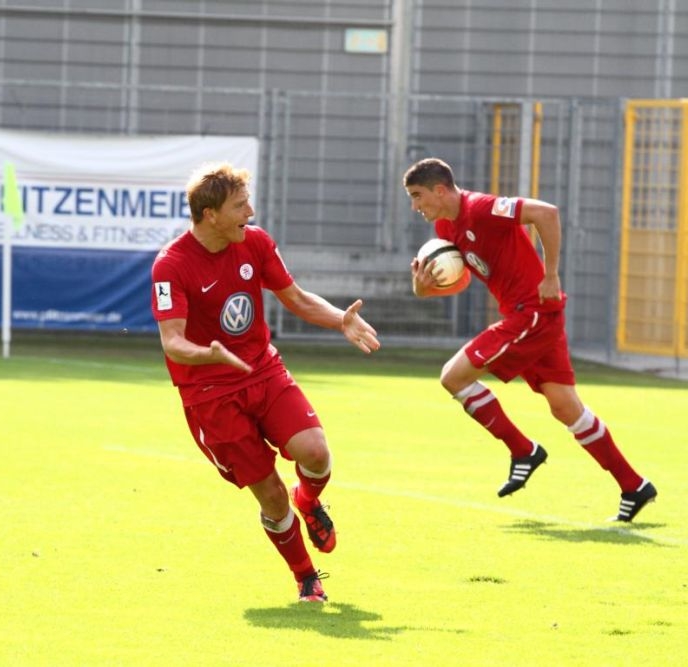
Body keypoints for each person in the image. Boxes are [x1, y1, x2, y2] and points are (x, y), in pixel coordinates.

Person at [150, 162, 381, 603]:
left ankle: (309, 500)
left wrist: (340, 321)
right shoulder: (171, 265)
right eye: (239, 206)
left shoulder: (254, 243)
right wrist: (210, 355)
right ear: (209, 214)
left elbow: (293, 297)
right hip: (210, 395)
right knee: (271, 496)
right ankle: (306, 577)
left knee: (315, 451)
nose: (250, 213)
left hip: (263, 371)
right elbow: (173, 343)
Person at [403, 157, 657, 522]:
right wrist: (421, 287)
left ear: (440, 190)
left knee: (453, 376)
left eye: (417, 196)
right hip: (529, 315)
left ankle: (523, 450)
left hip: (533, 311)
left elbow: (547, 213)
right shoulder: (446, 227)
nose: (415, 206)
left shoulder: (482, 208)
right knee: (565, 407)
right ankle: (634, 485)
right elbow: (459, 279)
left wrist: (550, 274)